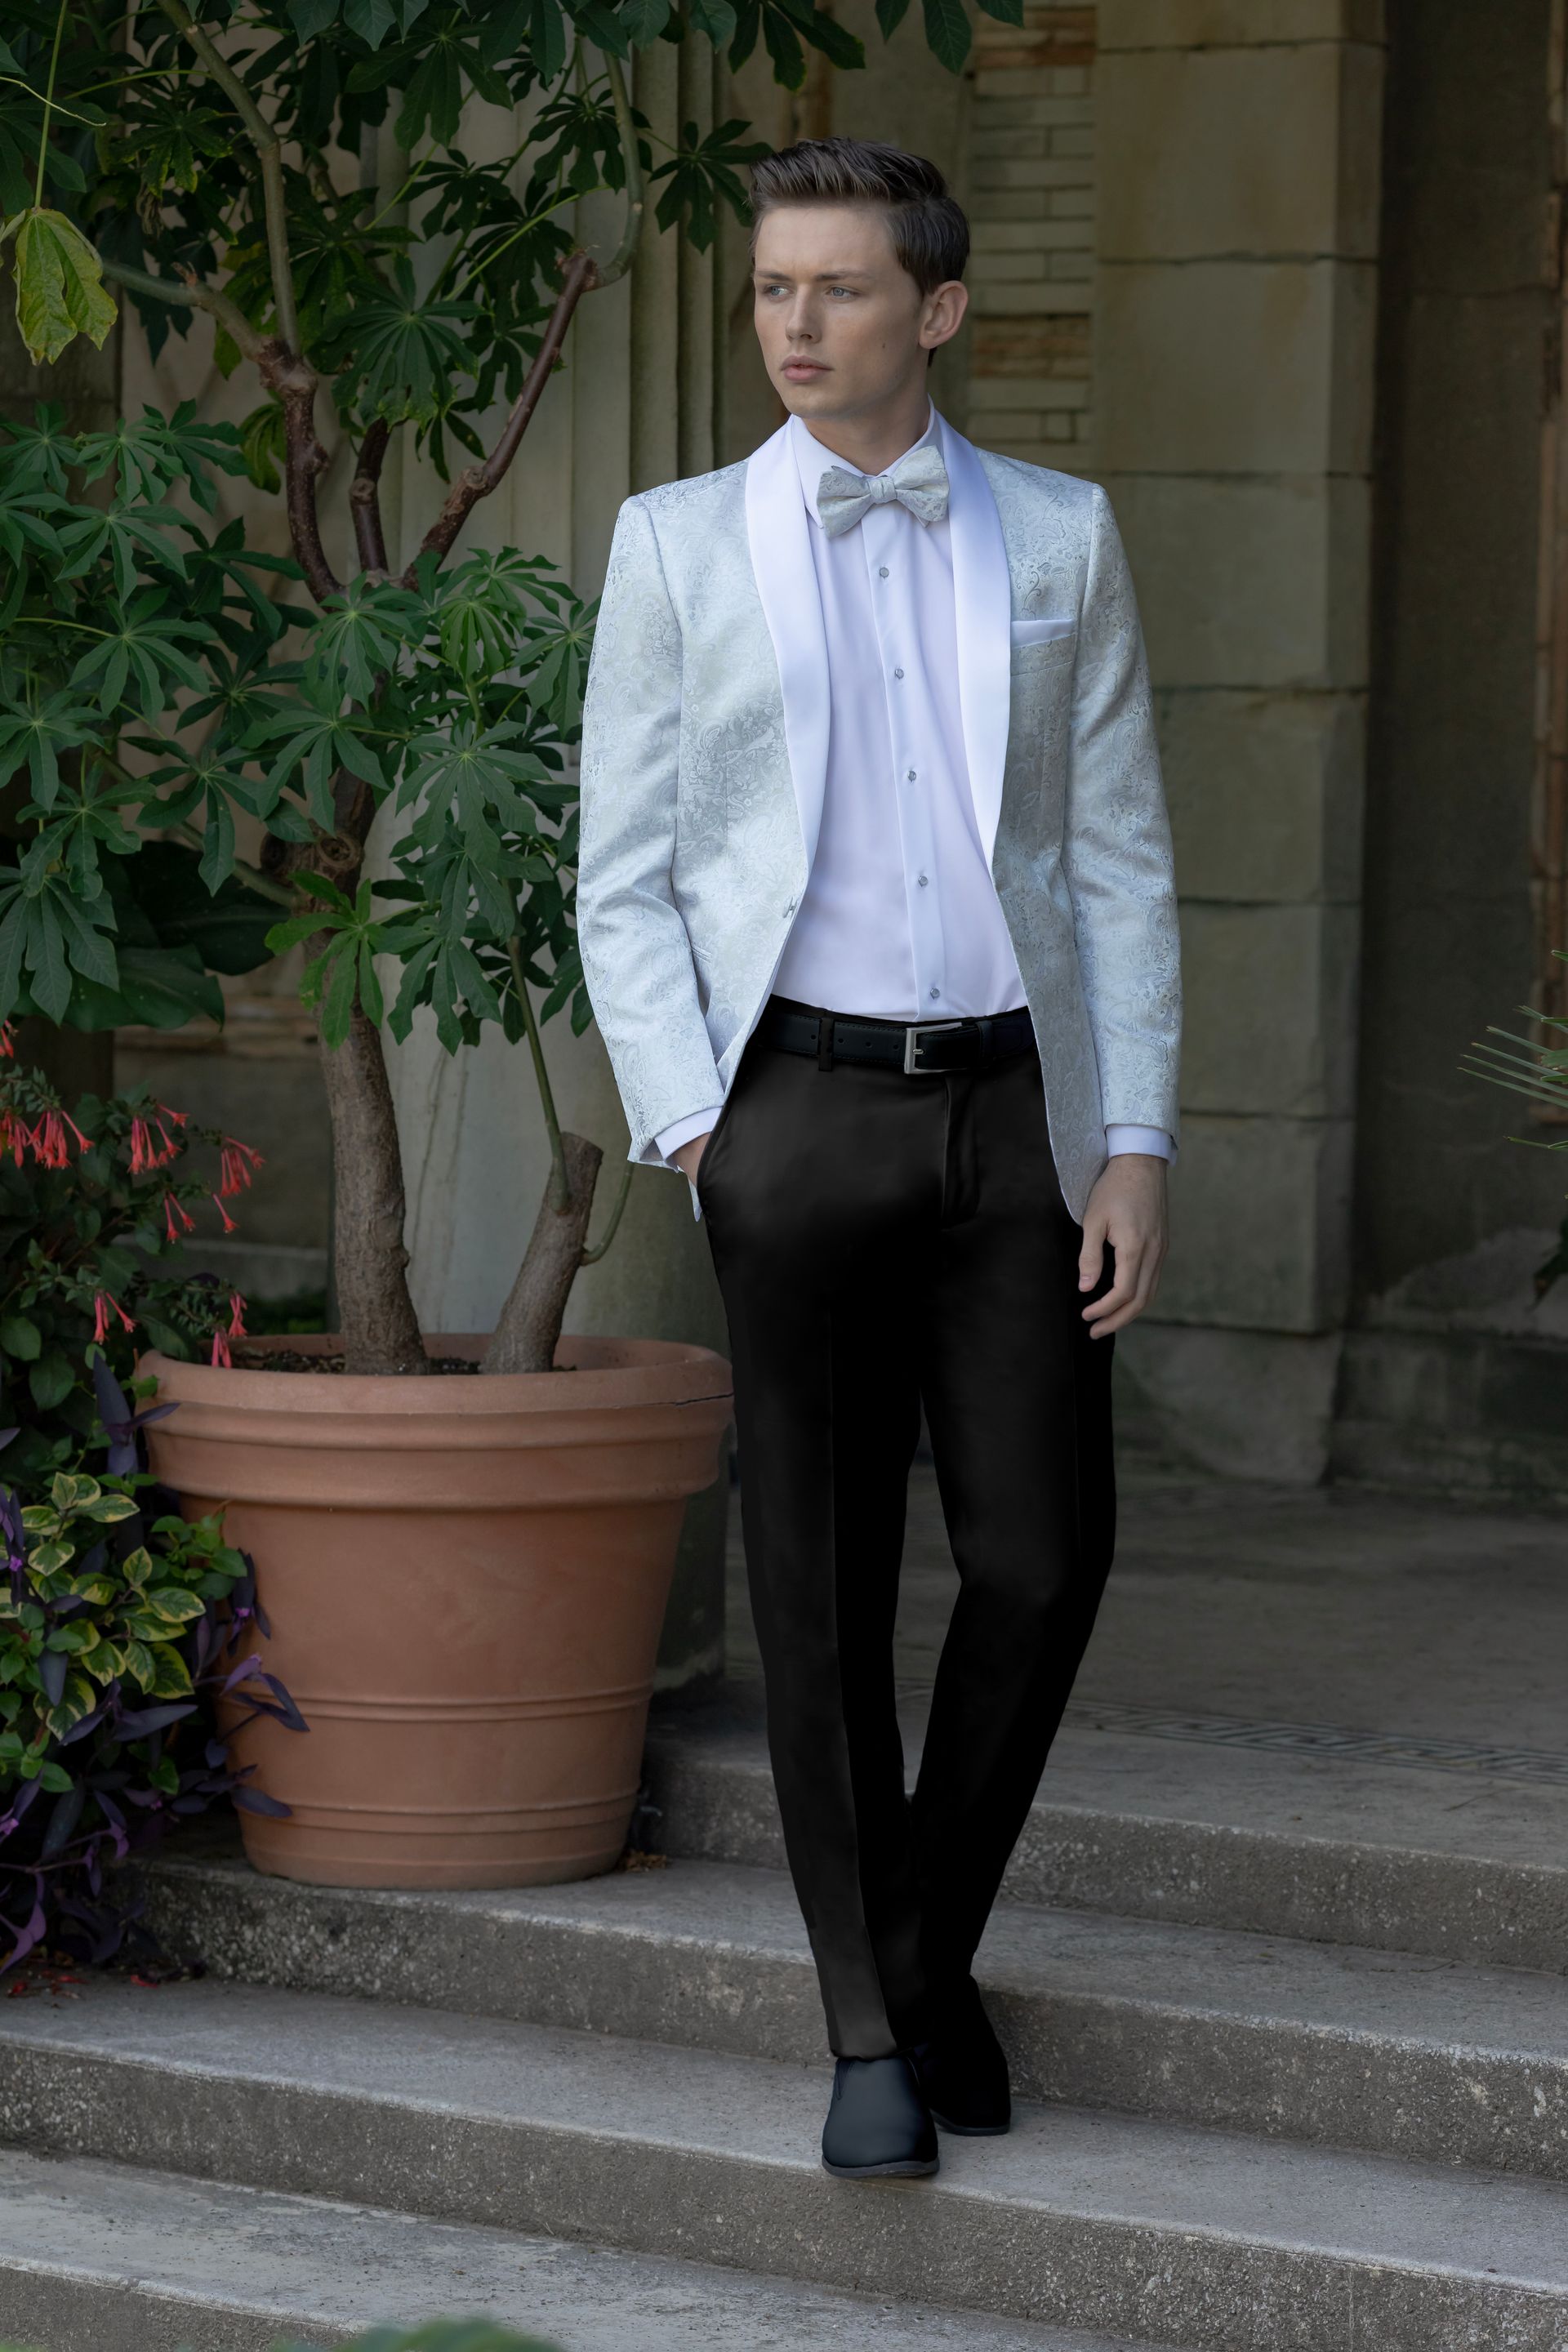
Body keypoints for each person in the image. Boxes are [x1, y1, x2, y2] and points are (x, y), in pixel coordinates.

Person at [577, 136, 1181, 2180]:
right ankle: (868, 2027)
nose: (795, 325)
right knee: (817, 1585)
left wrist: (1133, 1138)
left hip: (1017, 1110)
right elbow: (625, 877)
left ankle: (927, 1946)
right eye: (771, 290)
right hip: (792, 1114)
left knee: (1041, 1555)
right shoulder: (675, 546)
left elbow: (1115, 858)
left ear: (935, 309)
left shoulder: (1065, 536)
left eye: (838, 289)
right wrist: (696, 1125)